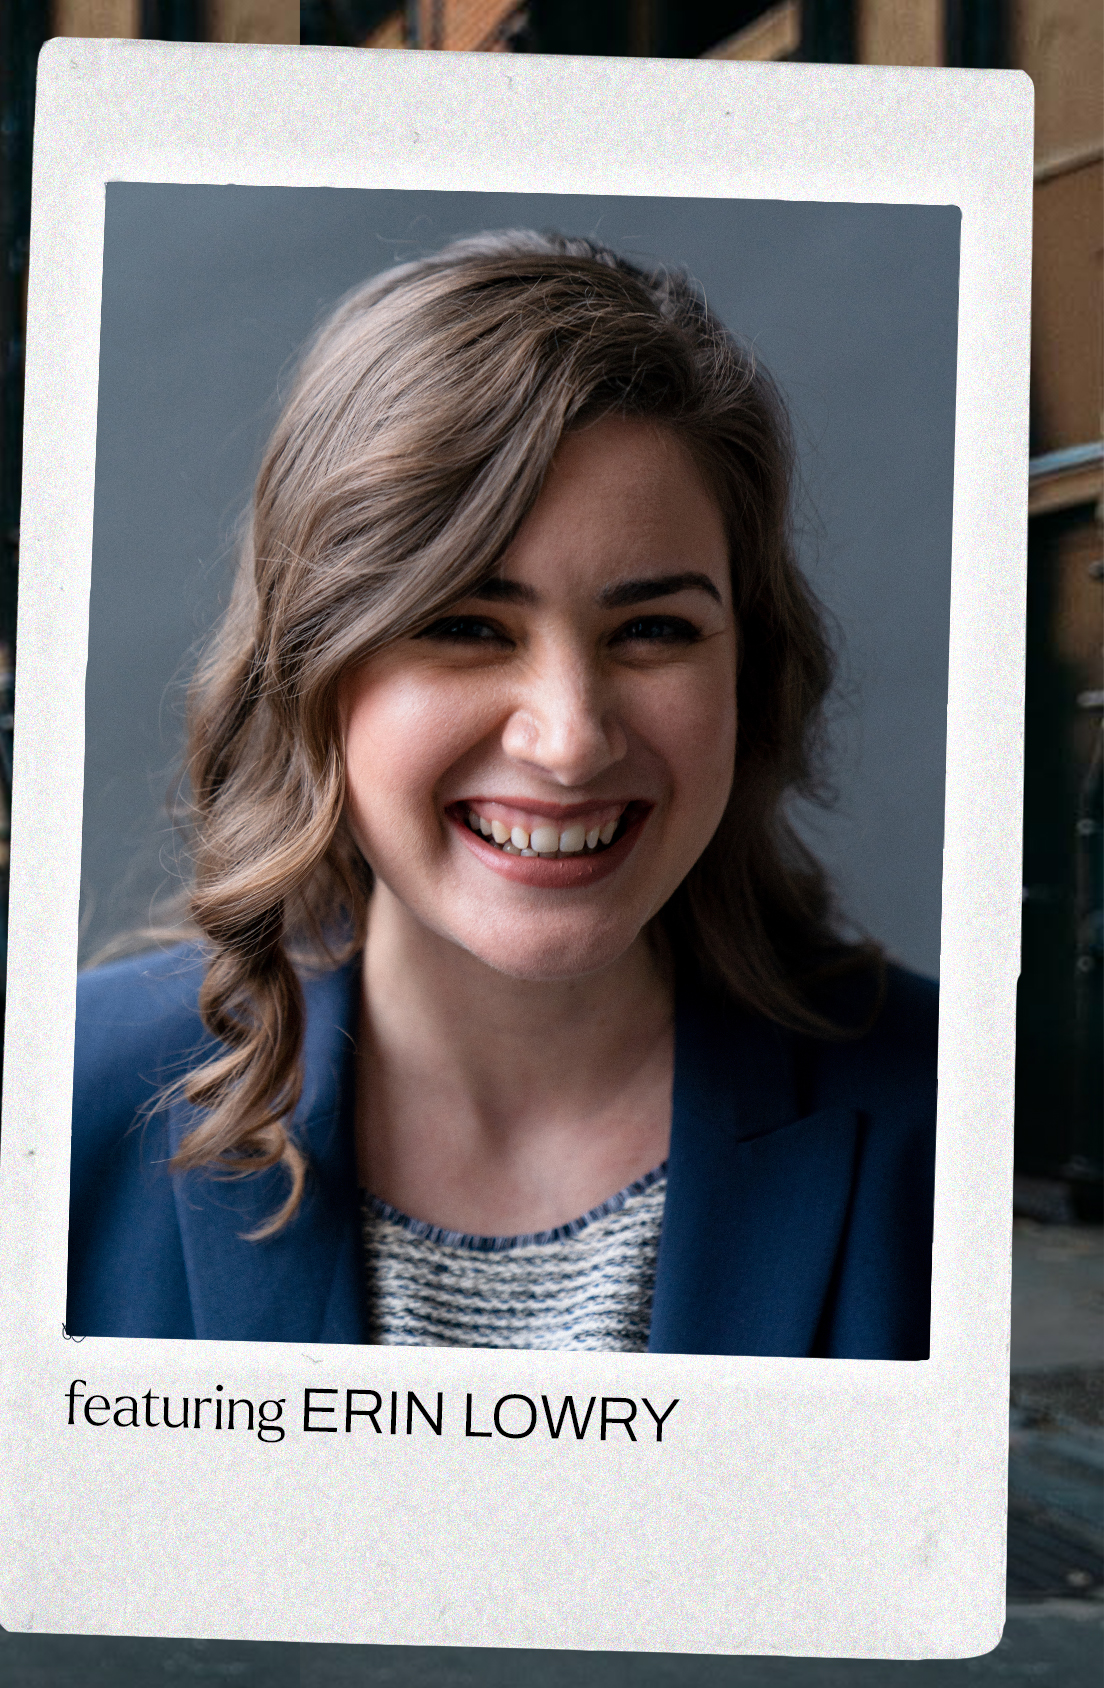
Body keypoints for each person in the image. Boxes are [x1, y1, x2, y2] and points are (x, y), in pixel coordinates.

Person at [67, 231, 935, 1360]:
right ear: (311, 669)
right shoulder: (78, 1088)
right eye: (466, 626)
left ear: (750, 670)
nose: (569, 740)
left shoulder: (940, 1105)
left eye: (655, 628)